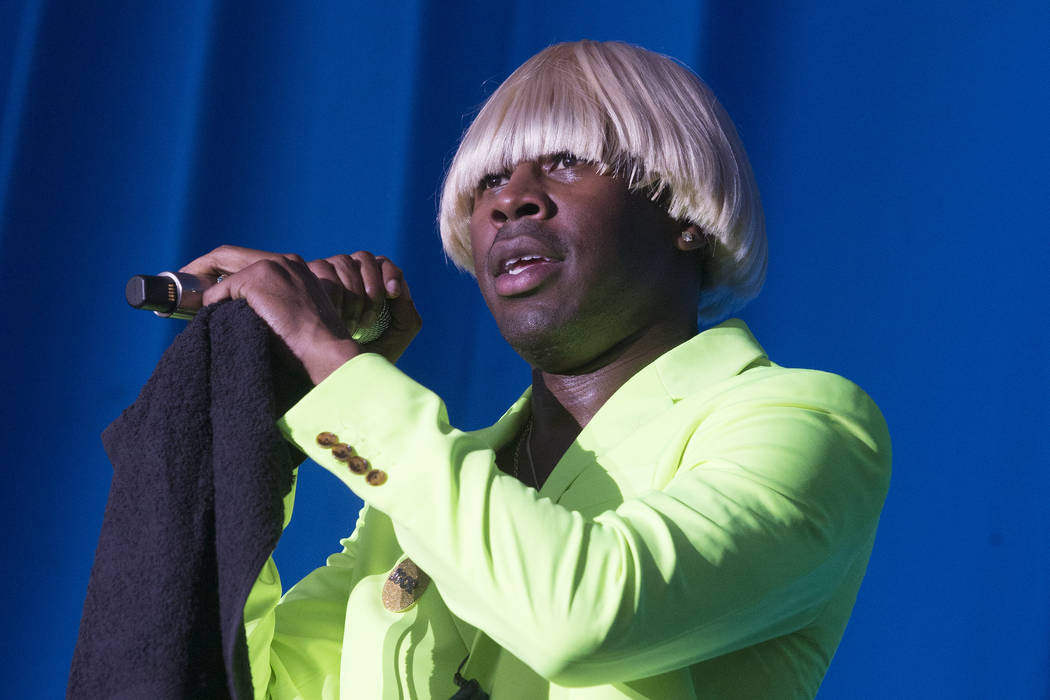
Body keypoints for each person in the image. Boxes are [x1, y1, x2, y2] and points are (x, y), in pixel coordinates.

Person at [182, 40, 891, 699]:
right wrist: (266, 412)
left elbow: (584, 617)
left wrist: (339, 371)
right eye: (489, 180)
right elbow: (242, 683)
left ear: (685, 214)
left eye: (565, 162)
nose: (511, 197)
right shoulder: (425, 492)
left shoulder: (808, 423)